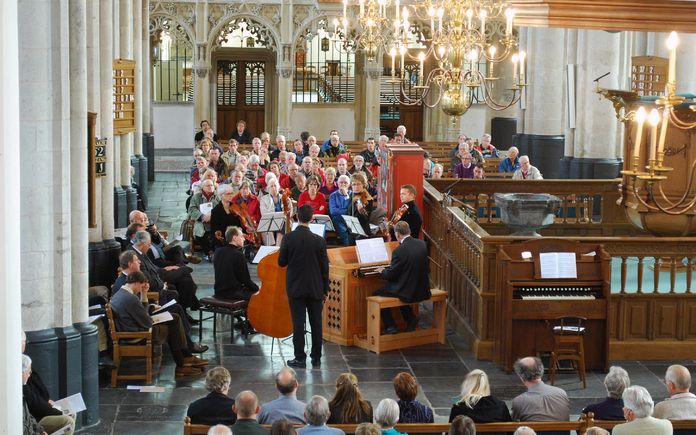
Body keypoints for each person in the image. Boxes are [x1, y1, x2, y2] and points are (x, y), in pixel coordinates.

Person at [110, 271, 208, 377]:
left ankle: (184, 361)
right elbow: (147, 322)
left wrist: (146, 299)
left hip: (132, 328)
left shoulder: (120, 293)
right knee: (173, 325)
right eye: (141, 286)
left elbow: (140, 312)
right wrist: (147, 303)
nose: (140, 290)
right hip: (137, 334)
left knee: (174, 318)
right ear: (137, 283)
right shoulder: (131, 298)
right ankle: (182, 363)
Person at [279, 204, 329, 368]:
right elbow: (324, 268)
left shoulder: (288, 238)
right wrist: (325, 289)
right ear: (312, 218)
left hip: (296, 287)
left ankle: (300, 358)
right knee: (316, 323)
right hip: (315, 287)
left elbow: (281, 262)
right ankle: (316, 357)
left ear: (296, 217)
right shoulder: (319, 240)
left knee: (298, 324)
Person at [373, 222, 431, 334]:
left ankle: (390, 326)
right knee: (397, 289)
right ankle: (410, 318)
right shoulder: (422, 244)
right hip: (423, 288)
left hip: (408, 291)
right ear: (408, 231)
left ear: (398, 235)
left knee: (377, 293)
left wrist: (382, 271)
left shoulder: (399, 251)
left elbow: (390, 275)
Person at [22, 353, 76, 435]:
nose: (30, 374)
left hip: (40, 415)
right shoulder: (21, 389)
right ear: (22, 373)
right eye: (28, 372)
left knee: (72, 412)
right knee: (68, 421)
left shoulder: (26, 382)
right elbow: (35, 406)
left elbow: (41, 393)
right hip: (39, 416)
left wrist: (47, 401)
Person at [511, 357, 569, 422]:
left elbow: (513, 424)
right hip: (561, 432)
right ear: (541, 370)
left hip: (533, 432)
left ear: (521, 377)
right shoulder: (561, 393)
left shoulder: (519, 401)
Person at [214, 226, 259, 300]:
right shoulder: (238, 255)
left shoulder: (218, 252)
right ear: (234, 238)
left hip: (218, 292)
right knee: (259, 296)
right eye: (241, 236)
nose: (244, 239)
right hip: (233, 294)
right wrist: (257, 288)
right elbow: (246, 280)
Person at [188, 178, 219, 260]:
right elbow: (191, 209)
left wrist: (212, 215)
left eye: (212, 185)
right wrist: (202, 216)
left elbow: (221, 208)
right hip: (201, 221)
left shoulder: (218, 196)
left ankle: (216, 251)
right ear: (202, 188)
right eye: (208, 185)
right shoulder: (196, 197)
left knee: (217, 232)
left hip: (215, 220)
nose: (210, 187)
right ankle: (209, 252)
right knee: (199, 232)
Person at [349, 173, 375, 239]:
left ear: (363, 185)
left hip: (362, 231)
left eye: (358, 184)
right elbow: (349, 212)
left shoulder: (368, 198)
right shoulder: (352, 195)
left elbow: (366, 218)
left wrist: (361, 211)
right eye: (354, 184)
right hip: (352, 229)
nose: (356, 187)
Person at [329, 175, 352, 246]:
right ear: (338, 184)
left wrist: (346, 195)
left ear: (349, 184)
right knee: (344, 232)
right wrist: (346, 210)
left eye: (345, 183)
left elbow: (351, 210)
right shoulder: (333, 195)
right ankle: (348, 249)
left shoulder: (352, 194)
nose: (343, 184)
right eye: (341, 182)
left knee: (353, 233)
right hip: (338, 219)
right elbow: (333, 211)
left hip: (350, 219)